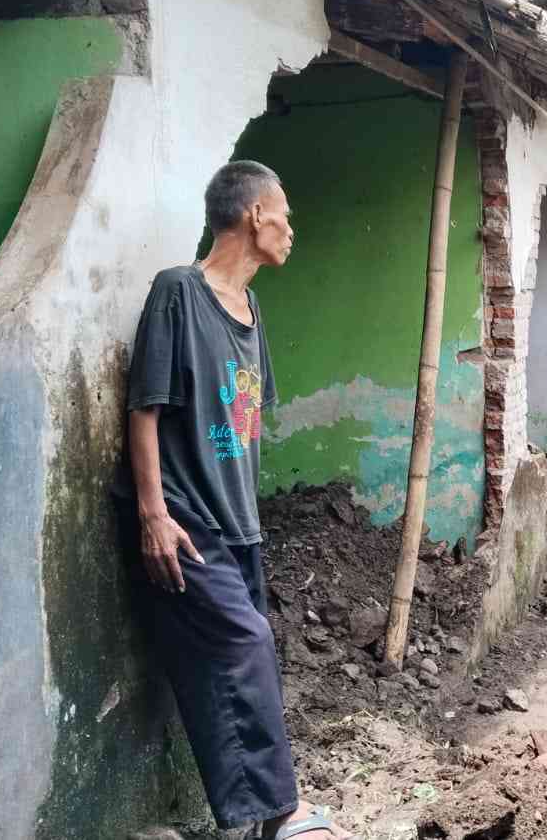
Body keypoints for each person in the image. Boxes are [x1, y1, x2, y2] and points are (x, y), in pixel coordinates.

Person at [116, 161, 349, 840]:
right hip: (186, 521)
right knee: (245, 644)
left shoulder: (250, 310)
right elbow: (145, 408)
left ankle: (247, 819)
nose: (291, 229)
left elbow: (243, 422)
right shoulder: (177, 294)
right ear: (254, 215)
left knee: (230, 660)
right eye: (286, 215)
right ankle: (284, 813)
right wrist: (152, 514)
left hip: (239, 525)